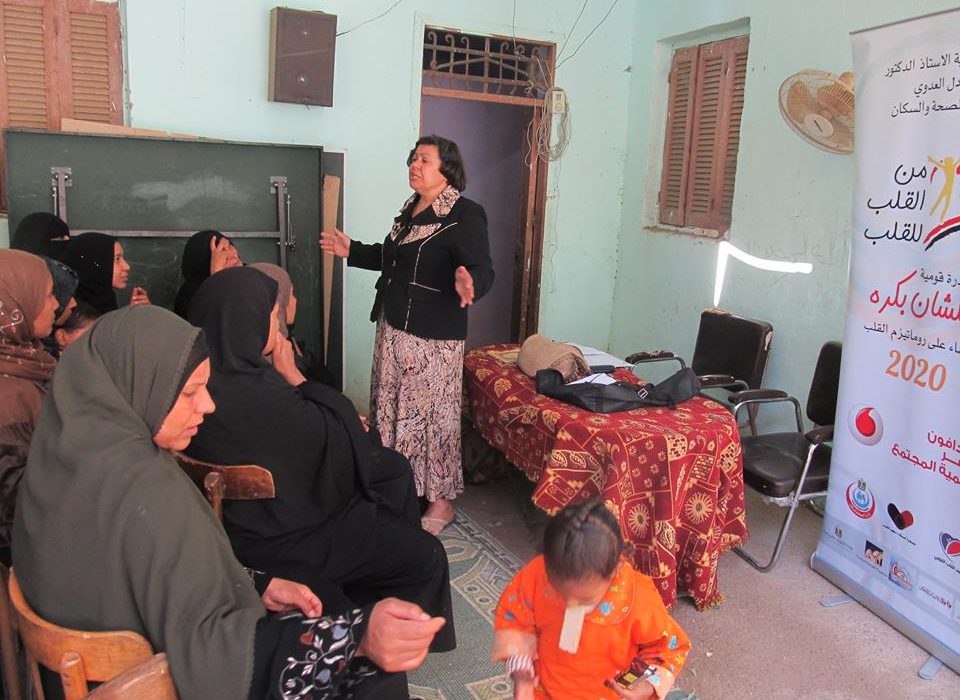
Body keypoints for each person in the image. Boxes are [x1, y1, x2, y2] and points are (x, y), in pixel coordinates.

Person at [12, 305, 446, 700]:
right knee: (372, 674)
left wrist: (256, 583)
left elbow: (153, 576)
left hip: (96, 673)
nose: (207, 405)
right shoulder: (149, 497)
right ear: (140, 387)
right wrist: (355, 638)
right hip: (152, 682)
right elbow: (214, 659)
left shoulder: (63, 465)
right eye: (190, 393)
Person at [185, 268, 455, 660]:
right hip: (292, 539)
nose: (276, 323)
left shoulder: (191, 391)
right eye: (270, 314)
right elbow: (352, 445)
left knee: (386, 491)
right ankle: (407, 640)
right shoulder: (267, 397)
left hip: (235, 537)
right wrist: (294, 375)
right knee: (424, 552)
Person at [320, 134, 494, 535]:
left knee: (433, 418)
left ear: (447, 169)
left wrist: (471, 282)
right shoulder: (410, 209)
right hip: (394, 327)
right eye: (413, 159)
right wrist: (353, 250)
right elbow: (394, 259)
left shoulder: (465, 214)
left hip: (433, 338)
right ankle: (400, 485)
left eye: (424, 160)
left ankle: (441, 501)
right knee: (395, 410)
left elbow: (483, 268)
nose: (415, 165)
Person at [493, 500, 691, 700]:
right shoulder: (537, 574)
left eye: (584, 599)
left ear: (614, 572)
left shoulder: (638, 599)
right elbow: (515, 618)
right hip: (544, 692)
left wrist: (646, 687)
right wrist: (521, 672)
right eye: (559, 592)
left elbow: (667, 649)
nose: (570, 606)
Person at [0, 250, 58, 565]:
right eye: (46, 295)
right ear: (16, 307)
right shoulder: (9, 397)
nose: (56, 304)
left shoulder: (26, 360)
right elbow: (15, 513)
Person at [249, 262, 336, 386]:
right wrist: (294, 375)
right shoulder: (279, 371)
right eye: (290, 295)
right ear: (278, 306)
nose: (295, 301)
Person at [61, 232, 149, 313]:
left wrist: (136, 314)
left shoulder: (105, 301)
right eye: (117, 259)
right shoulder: (71, 314)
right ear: (94, 264)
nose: (127, 267)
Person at [174, 229, 241, 318]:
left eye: (230, 246)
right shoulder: (190, 297)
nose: (233, 255)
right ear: (207, 260)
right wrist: (217, 278)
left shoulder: (252, 275)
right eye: (222, 250)